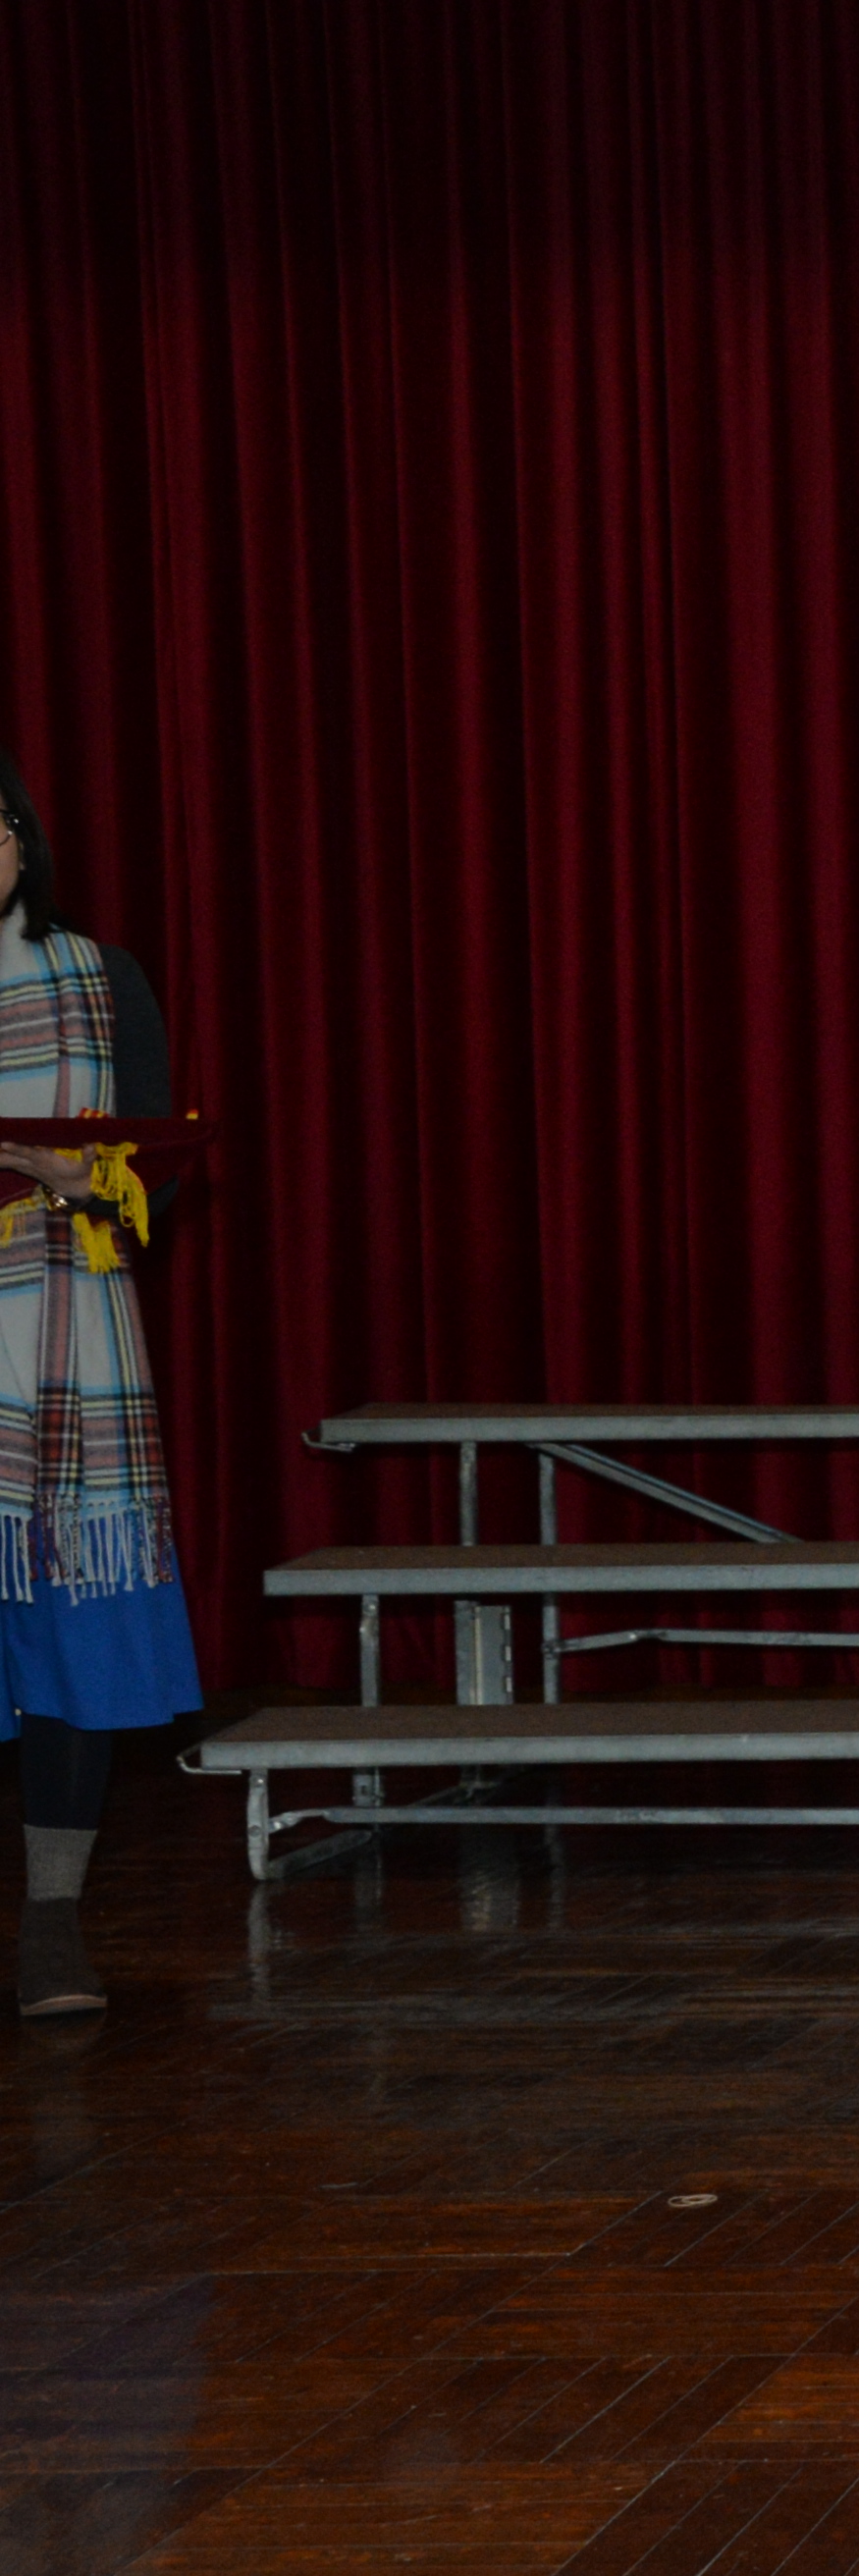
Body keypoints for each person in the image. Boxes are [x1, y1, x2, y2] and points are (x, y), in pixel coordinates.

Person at [0, 752, 202, 2021]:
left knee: (72, 1635)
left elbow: (160, 1174)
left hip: (69, 1341)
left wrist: (94, 1181)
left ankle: (53, 1930)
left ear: (22, 842)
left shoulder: (99, 977)